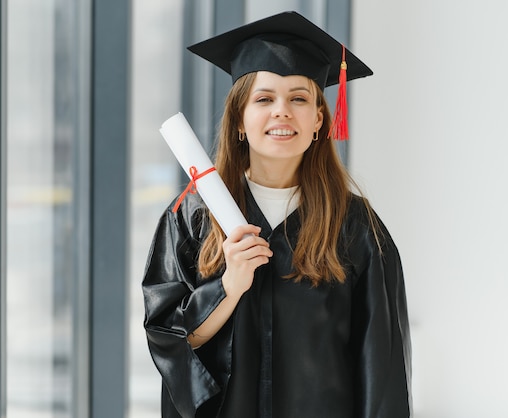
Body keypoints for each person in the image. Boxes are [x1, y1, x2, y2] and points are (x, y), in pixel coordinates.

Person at [142, 11, 412, 418]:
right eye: (264, 99)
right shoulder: (194, 218)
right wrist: (227, 288)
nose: (281, 111)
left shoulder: (355, 228)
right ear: (239, 119)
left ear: (319, 119)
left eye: (299, 98)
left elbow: (383, 369)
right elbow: (171, 340)